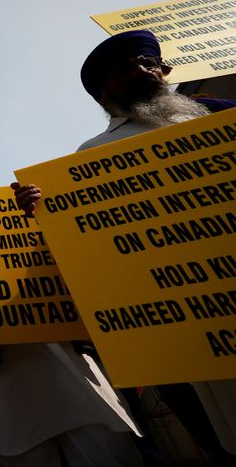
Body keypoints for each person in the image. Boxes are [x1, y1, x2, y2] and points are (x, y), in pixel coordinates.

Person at [13, 29, 236, 463]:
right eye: (123, 70)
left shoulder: (221, 116)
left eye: (147, 63)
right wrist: (48, 213)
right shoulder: (91, 155)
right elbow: (93, 248)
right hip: (179, 326)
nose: (142, 72)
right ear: (104, 95)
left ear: (166, 69)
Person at [0, 162, 143, 467]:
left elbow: (76, 258)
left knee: (101, 447)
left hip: (58, 356)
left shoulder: (24, 212)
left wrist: (41, 215)